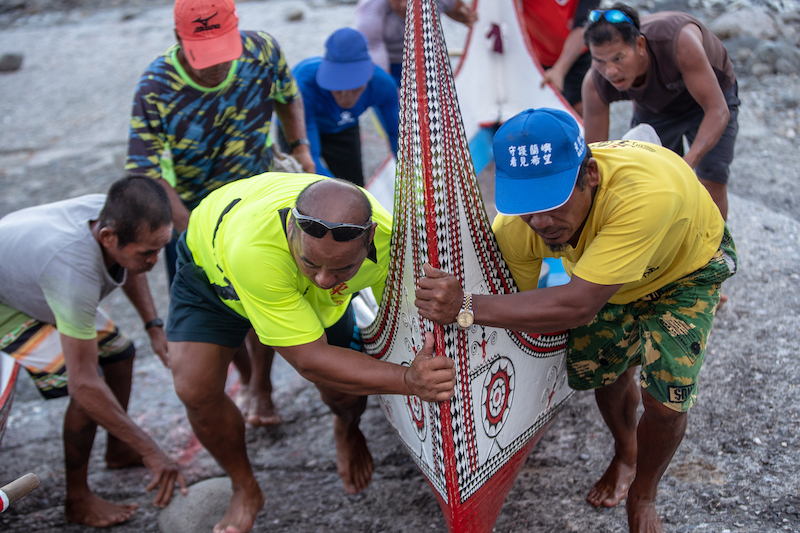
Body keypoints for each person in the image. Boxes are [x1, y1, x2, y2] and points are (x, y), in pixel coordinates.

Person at [414, 108, 737, 532]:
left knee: (666, 399)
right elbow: (519, 309)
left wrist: (464, 306)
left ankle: (643, 494)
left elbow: (577, 305)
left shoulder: (646, 195)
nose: (541, 221)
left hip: (683, 269)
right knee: (601, 372)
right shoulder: (518, 226)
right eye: (528, 207)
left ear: (592, 175)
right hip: (605, 280)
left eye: (554, 201)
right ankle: (626, 452)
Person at [166, 172, 456, 533]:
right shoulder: (255, 250)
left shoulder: (393, 241)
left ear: (368, 241)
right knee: (195, 389)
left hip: (298, 288)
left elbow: (411, 327)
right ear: (291, 229)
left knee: (345, 394)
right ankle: (244, 487)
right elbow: (310, 361)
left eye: (343, 268)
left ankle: (347, 426)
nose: (322, 278)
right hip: (216, 268)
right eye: (311, 263)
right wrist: (408, 380)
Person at [125, 0, 314, 426]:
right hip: (193, 210)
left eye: (222, 52)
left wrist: (300, 148)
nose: (215, 67)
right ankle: (246, 378)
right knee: (216, 310)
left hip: (259, 196)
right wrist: (194, 229)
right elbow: (147, 173)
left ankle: (262, 384)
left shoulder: (262, 50)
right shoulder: (156, 86)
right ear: (179, 40)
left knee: (261, 295)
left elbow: (288, 97)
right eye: (203, 56)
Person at [0, 177, 187, 527]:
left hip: (33, 276)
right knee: (89, 388)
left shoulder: (119, 216)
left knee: (120, 353)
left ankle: (118, 448)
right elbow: (82, 385)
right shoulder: (73, 272)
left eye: (159, 248)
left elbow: (129, 262)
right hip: (7, 302)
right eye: (148, 252)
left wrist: (153, 325)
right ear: (107, 238)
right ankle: (77, 498)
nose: (154, 260)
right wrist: (152, 451)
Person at [581, 3, 739, 222]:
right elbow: (594, 157)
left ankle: (717, 251)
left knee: (711, 177)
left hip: (710, 99)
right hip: (655, 107)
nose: (610, 71)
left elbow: (717, 110)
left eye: (618, 58)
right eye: (599, 60)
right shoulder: (595, 84)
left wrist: (687, 162)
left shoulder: (679, 42)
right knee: (652, 181)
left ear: (640, 45)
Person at [287, 27, 399, 187]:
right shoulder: (304, 86)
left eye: (355, 88)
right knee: (304, 189)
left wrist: (411, 176)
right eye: (337, 87)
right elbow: (310, 160)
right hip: (301, 126)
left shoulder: (382, 84)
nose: (345, 97)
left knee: (355, 188)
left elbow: (396, 134)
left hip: (343, 128)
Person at [355, 0, 478, 87]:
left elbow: (461, 11)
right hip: (390, 64)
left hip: (423, 61)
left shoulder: (438, 1)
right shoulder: (370, 8)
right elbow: (375, 51)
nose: (404, 4)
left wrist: (467, 16)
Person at [521, 0, 600, 116]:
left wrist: (559, 70)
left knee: (583, 107)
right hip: (537, 57)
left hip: (579, 53)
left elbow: (584, 28)